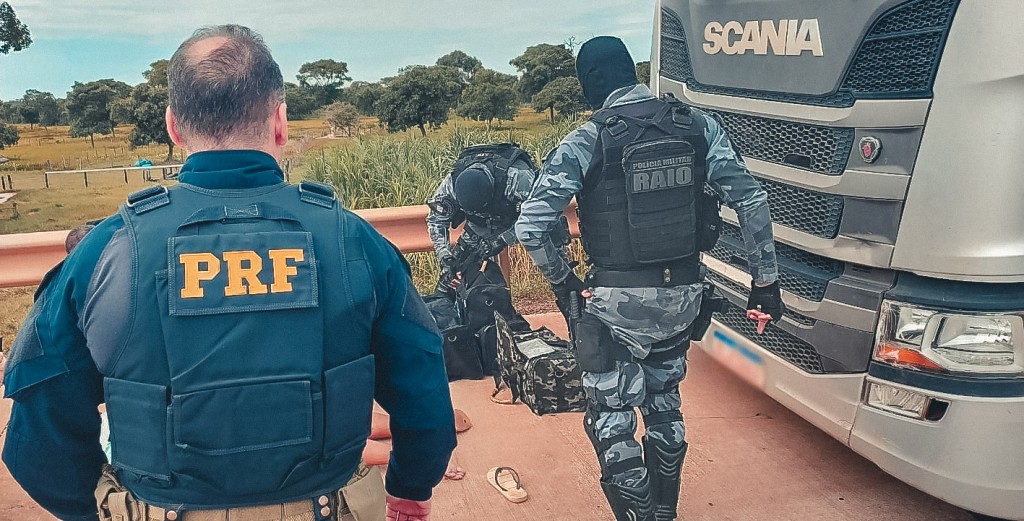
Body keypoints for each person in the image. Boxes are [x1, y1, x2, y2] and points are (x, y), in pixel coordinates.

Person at [2, 25, 454, 521]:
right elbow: (424, 392)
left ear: (173, 127)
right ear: (280, 121)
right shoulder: (355, 241)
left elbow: (38, 435)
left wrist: (100, 509)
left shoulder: (106, 251)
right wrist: (410, 488)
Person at [514, 36, 783, 521]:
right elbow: (752, 200)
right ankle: (664, 512)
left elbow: (530, 226)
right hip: (683, 298)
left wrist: (564, 284)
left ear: (590, 83)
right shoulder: (697, 125)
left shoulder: (588, 139)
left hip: (615, 306)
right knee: (664, 404)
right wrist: (765, 284)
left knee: (612, 420)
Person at [426, 143, 553, 332]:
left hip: (517, 221)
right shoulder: (452, 183)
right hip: (478, 228)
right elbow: (436, 221)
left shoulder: (518, 178)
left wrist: (503, 240)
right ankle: (451, 334)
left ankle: (572, 311)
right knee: (450, 279)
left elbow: (538, 217)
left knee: (556, 269)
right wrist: (445, 257)